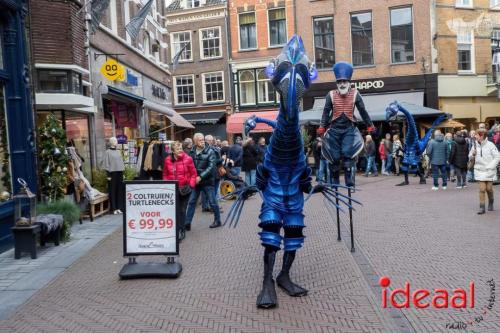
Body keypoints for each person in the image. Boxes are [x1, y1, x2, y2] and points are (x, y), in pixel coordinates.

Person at [317, 61, 376, 186]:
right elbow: (326, 112)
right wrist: (322, 126)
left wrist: (369, 124)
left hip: (349, 129)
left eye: (344, 81)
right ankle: (335, 179)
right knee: (334, 157)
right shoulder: (331, 95)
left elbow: (363, 111)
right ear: (337, 83)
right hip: (334, 130)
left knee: (347, 154)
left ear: (349, 82)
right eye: (339, 82)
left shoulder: (355, 94)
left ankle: (349, 179)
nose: (342, 84)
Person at [185, 133, 222, 229]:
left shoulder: (210, 151)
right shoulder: (192, 151)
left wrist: (200, 177)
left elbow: (211, 167)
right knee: (192, 201)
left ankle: (217, 220)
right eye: (200, 140)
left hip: (207, 181)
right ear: (195, 141)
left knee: (212, 201)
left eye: (202, 139)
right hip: (196, 182)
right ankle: (187, 223)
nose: (202, 141)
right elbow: (189, 165)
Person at [163, 141, 197, 240]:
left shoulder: (188, 159)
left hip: (185, 189)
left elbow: (193, 174)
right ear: (173, 151)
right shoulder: (167, 160)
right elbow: (165, 174)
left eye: (181, 148)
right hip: (172, 189)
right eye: (178, 149)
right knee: (175, 210)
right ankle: (176, 229)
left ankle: (181, 230)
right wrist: (166, 184)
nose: (180, 151)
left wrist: (191, 185)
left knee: (182, 210)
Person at [469, 128, 500, 214]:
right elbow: (470, 156)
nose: (475, 136)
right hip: (479, 170)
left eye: (476, 135)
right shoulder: (474, 145)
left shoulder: (491, 145)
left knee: (489, 189)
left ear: (482, 135)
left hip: (489, 170)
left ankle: (491, 201)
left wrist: (491, 166)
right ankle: (482, 207)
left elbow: (497, 157)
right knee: (482, 189)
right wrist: (472, 155)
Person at [101, 137, 125, 215]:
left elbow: (121, 162)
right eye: (115, 141)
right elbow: (106, 163)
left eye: (116, 140)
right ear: (111, 142)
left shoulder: (118, 151)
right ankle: (114, 208)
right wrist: (108, 174)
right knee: (112, 191)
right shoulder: (107, 152)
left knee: (119, 190)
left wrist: (123, 173)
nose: (116, 142)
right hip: (112, 174)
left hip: (119, 173)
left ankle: (119, 207)